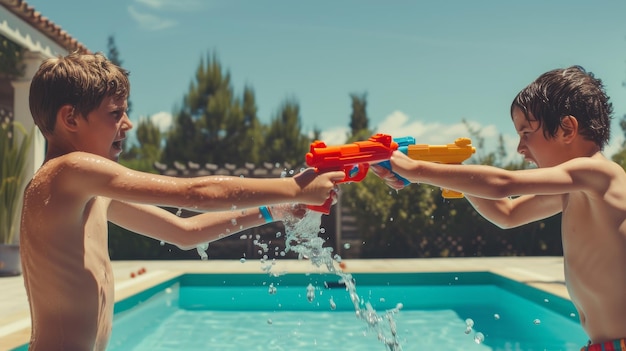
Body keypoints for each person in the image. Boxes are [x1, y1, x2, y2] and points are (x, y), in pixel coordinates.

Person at [20, 52, 344, 351]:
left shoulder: (88, 192)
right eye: (115, 113)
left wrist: (272, 210)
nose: (128, 124)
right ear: (71, 119)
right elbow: (195, 194)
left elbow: (184, 233)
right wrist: (294, 187)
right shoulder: (68, 170)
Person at [372, 66, 626, 350]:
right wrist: (449, 168)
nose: (520, 147)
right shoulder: (574, 189)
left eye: (527, 132)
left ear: (567, 128)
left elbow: (504, 183)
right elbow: (506, 213)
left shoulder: (600, 175)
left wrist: (418, 169)